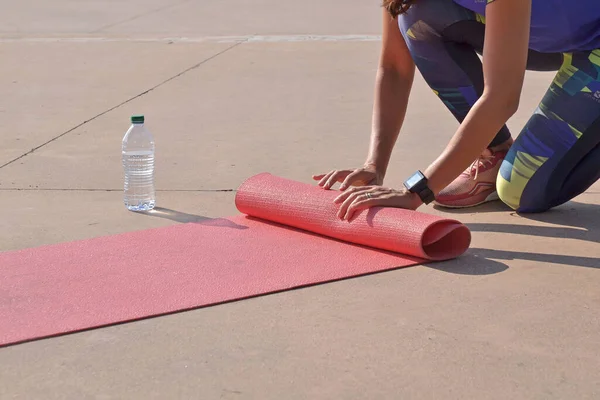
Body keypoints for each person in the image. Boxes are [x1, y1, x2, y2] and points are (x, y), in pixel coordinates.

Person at [313, 0, 600, 221]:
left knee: (521, 192)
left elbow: (502, 98)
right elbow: (395, 69)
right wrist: (374, 166)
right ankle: (495, 151)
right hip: (552, 31)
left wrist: (417, 191)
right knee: (416, 14)